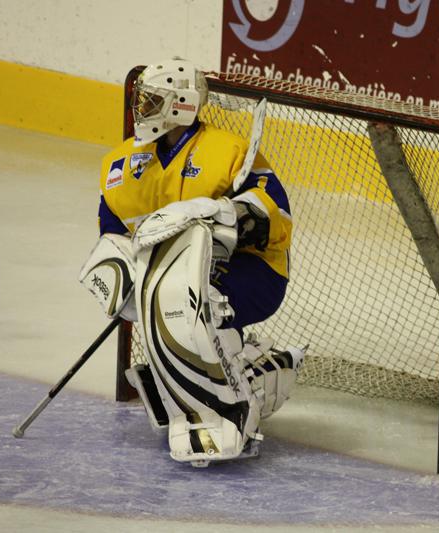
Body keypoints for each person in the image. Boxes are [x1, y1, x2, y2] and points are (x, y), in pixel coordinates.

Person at [79, 58, 303, 467]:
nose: (140, 110)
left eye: (152, 101)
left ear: (181, 104)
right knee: (165, 307)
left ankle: (239, 404)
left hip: (253, 272)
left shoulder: (229, 152)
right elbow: (111, 235)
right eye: (140, 101)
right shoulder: (120, 166)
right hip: (166, 279)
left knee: (198, 307)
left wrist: (227, 215)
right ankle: (222, 382)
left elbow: (280, 218)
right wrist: (120, 274)